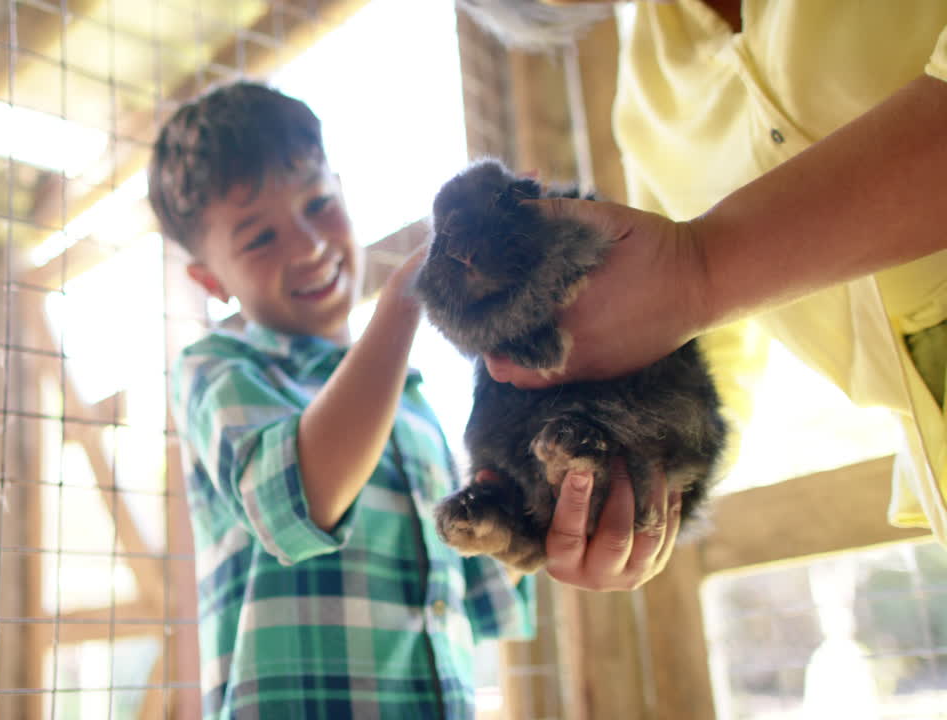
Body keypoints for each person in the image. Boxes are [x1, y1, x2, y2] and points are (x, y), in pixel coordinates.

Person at [148, 81, 677, 720]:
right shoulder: (216, 368)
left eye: (318, 204)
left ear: (343, 189)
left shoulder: (411, 404)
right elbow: (297, 498)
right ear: (211, 281)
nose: (309, 245)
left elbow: (466, 590)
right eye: (260, 239)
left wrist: (555, 504)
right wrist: (412, 293)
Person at [481, 1, 947, 543]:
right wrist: (642, 482)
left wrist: (703, 267)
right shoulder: (645, 107)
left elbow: (686, 287)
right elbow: (707, 348)